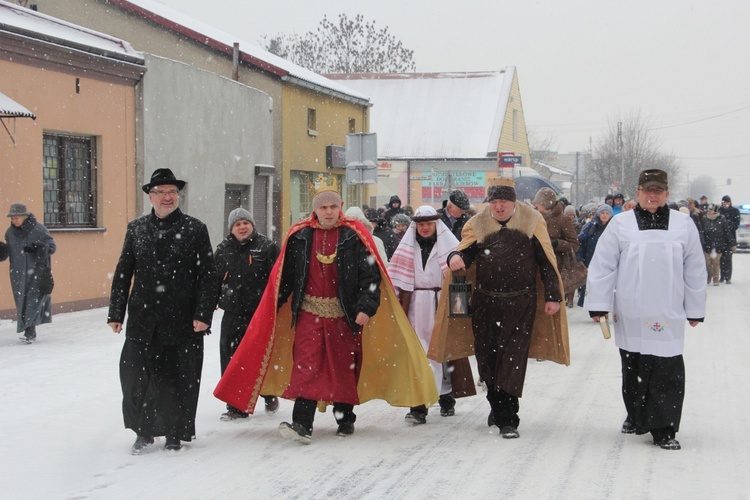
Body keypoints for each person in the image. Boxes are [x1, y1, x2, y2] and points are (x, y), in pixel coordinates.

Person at [214, 177, 438, 445]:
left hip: (344, 315)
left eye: (333, 206)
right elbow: (286, 278)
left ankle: (345, 418)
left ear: (340, 206)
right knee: (305, 366)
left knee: (342, 367)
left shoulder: (354, 236)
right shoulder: (300, 236)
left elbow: (370, 277)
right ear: (315, 209)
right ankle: (302, 423)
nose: (329, 212)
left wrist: (366, 307)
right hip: (309, 313)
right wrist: (273, 304)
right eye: (323, 207)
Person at [584, 169, 706, 451]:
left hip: (668, 310)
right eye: (647, 190)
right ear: (638, 193)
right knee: (634, 367)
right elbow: (603, 266)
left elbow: (696, 268)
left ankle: (664, 427)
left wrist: (695, 308)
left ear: (666, 194)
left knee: (666, 370)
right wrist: (599, 304)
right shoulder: (621, 224)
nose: (652, 195)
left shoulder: (683, 224)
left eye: (658, 191)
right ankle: (637, 414)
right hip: (632, 311)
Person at [446, 177, 568, 439]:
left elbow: (546, 262)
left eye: (504, 202)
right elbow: (465, 251)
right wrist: (455, 257)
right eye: (494, 202)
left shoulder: (531, 221)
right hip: (485, 303)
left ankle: (509, 417)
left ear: (513, 202)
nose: (499, 207)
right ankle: (495, 401)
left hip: (520, 303)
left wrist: (553, 296)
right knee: (487, 358)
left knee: (512, 359)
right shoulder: (477, 223)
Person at [107, 168, 218, 454]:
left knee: (177, 377)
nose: (167, 197)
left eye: (172, 192)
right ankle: (143, 431)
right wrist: (116, 312)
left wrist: (203, 314)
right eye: (160, 192)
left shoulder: (194, 228)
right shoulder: (137, 229)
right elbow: (124, 271)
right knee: (137, 377)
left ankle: (174, 432)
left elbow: (208, 274)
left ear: (178, 196)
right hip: (143, 318)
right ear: (150, 196)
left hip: (182, 319)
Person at [388, 205, 474, 425]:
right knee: (418, 354)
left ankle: (445, 395)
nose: (425, 228)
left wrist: (459, 310)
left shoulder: (451, 247)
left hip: (441, 304)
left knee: (443, 351)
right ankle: (419, 405)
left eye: (429, 224)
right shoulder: (407, 248)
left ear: (436, 225)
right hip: (415, 305)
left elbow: (460, 278)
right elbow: (396, 279)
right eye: (421, 224)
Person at [214, 208, 280, 421]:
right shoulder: (222, 250)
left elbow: (279, 279)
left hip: (259, 314)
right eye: (237, 224)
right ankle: (236, 405)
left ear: (252, 225)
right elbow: (213, 280)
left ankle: (268, 393)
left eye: (245, 223)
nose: (242, 227)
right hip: (232, 314)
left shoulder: (267, 247)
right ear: (231, 229)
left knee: (261, 358)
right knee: (231, 360)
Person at [1, 203, 56, 344]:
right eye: (12, 218)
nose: (14, 221)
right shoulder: (9, 233)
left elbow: (52, 246)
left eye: (16, 218)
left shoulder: (39, 229)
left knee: (33, 299)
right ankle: (29, 328)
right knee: (22, 301)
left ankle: (29, 330)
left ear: (25, 216)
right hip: (17, 273)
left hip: (37, 271)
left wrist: (40, 248)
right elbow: (8, 251)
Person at [532, 188, 580, 309]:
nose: (536, 206)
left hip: (556, 267)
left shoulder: (563, 220)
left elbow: (574, 244)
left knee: (553, 303)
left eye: (538, 204)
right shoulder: (536, 219)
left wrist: (555, 243)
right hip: (536, 266)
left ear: (544, 203)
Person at [576, 204, 612, 307]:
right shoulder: (590, 226)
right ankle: (592, 307)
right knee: (590, 284)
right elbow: (581, 241)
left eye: (607, 213)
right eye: (602, 213)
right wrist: (580, 258)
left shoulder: (613, 227)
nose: (604, 215)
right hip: (590, 258)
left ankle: (604, 306)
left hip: (607, 260)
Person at [702, 203, 735, 286]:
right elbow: (702, 232)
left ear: (715, 212)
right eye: (708, 210)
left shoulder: (722, 220)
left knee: (716, 263)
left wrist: (732, 244)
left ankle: (715, 279)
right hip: (707, 245)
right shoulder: (705, 220)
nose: (708, 212)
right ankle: (708, 277)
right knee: (708, 263)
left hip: (718, 245)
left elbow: (727, 232)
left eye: (710, 210)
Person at [718, 195, 740, 284]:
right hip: (720, 238)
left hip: (730, 238)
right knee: (720, 259)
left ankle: (728, 277)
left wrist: (728, 225)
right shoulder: (719, 211)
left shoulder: (734, 211)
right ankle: (722, 276)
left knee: (728, 258)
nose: (725, 204)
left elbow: (736, 224)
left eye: (727, 202)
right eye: (724, 202)